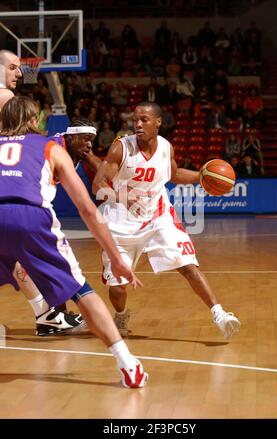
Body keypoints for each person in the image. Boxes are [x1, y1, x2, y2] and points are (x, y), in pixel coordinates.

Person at [0, 96, 148, 388]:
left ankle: (47, 317)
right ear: (33, 121)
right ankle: (128, 364)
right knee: (81, 291)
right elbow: (87, 209)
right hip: (31, 217)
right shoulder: (49, 147)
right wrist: (115, 257)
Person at [92, 102, 241, 339]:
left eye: (144, 120)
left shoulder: (166, 148)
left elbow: (173, 174)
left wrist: (202, 177)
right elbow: (98, 184)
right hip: (121, 224)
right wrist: (123, 196)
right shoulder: (121, 148)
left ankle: (220, 314)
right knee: (117, 288)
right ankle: (121, 314)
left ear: (158, 122)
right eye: (135, 120)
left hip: (158, 218)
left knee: (188, 266)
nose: (138, 124)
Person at [0, 50, 86, 335]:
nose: (19, 73)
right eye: (12, 67)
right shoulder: (6, 100)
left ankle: (44, 312)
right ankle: (47, 312)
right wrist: (55, 146)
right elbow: (16, 144)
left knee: (13, 256)